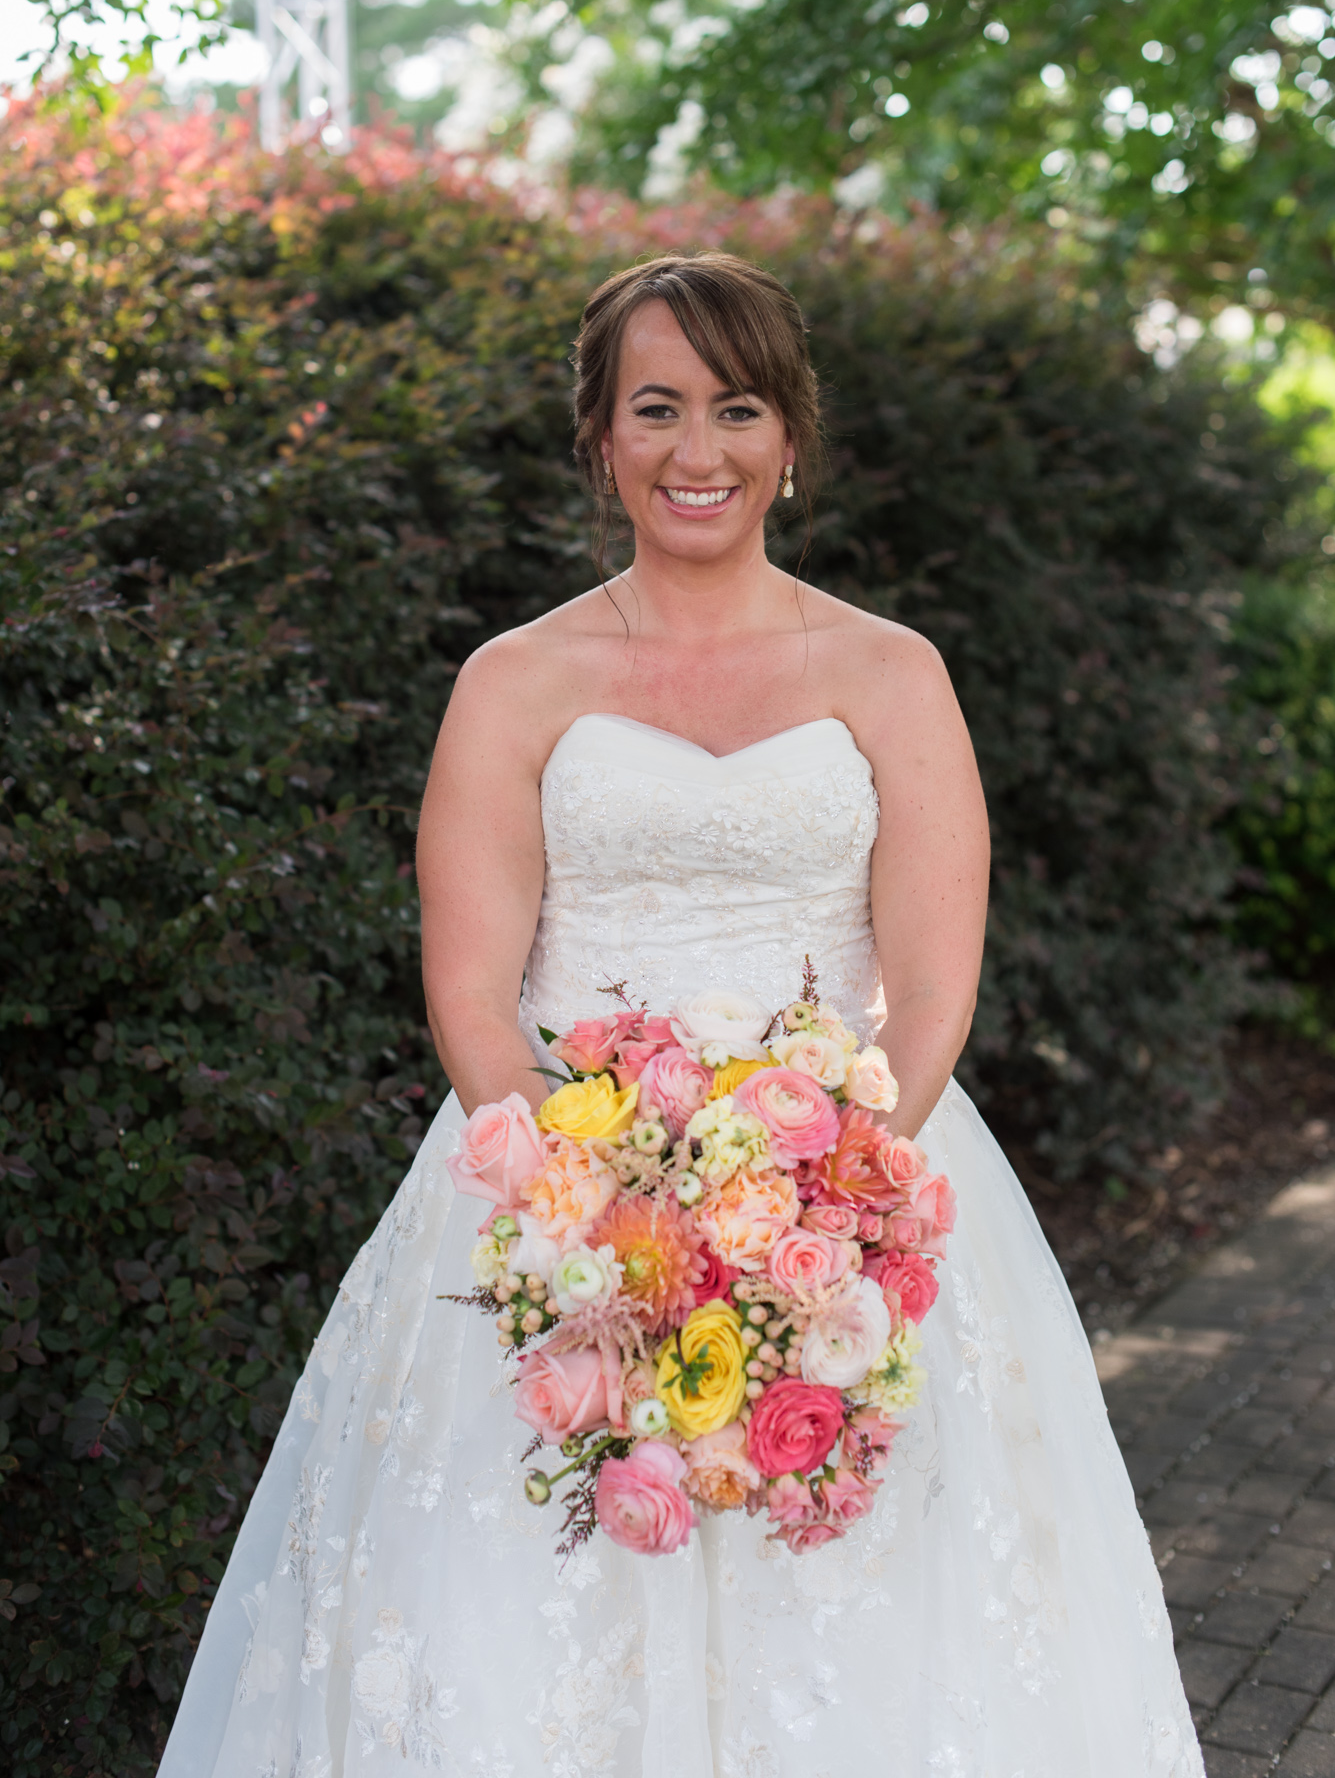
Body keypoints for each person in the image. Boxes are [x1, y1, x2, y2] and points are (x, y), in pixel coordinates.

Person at [160, 252, 1202, 1777]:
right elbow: (470, 991)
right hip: (556, 1213)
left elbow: (931, 988)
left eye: (736, 407)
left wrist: (811, 1211)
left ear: (790, 438)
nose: (694, 451)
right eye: (655, 408)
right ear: (600, 436)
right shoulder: (514, 682)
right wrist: (598, 1226)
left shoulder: (891, 674)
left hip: (852, 1216)